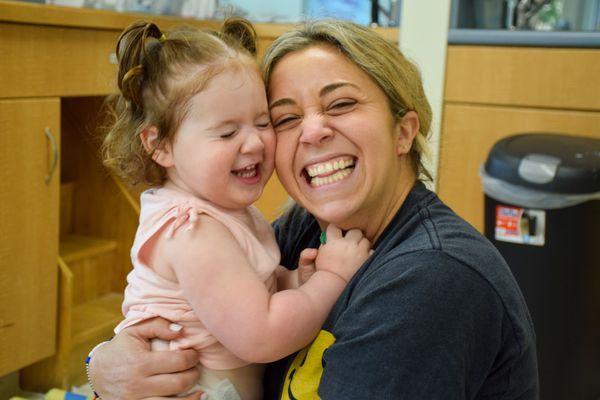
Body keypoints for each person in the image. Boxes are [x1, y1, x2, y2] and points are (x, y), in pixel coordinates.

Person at [89, 19, 539, 399]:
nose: (314, 131)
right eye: (286, 118)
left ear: (403, 132)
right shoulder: (308, 227)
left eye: (340, 104)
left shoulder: (431, 282)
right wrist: (102, 367)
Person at [98, 19, 371, 400]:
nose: (255, 143)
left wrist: (293, 282)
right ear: (159, 146)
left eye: (263, 122)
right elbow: (261, 336)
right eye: (227, 133)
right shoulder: (193, 232)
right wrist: (333, 278)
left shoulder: (221, 211)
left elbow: (244, 288)